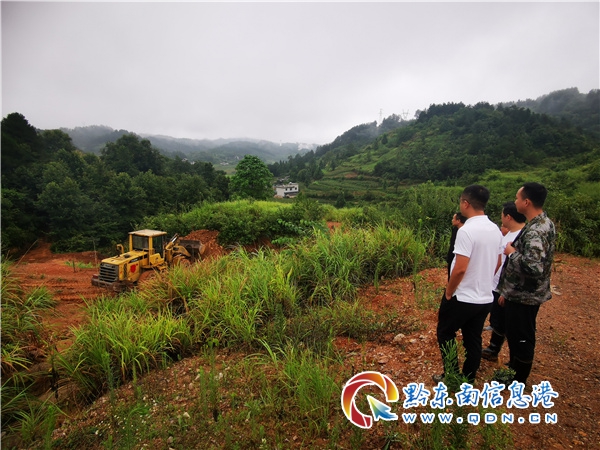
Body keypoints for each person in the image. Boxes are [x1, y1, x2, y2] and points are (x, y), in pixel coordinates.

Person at [435, 185, 502, 384]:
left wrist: (449, 292)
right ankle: (469, 377)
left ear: (466, 203)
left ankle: (452, 376)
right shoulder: (495, 229)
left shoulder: (466, 231)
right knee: (473, 337)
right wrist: (484, 280)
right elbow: (498, 262)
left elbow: (460, 269)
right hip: (485, 298)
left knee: (445, 333)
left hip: (463, 296)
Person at [497, 182, 556, 384]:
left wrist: (511, 253)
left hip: (525, 294)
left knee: (521, 336)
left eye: (517, 198)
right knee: (517, 333)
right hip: (524, 291)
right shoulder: (544, 222)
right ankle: (514, 368)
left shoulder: (535, 231)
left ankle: (518, 379)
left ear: (527, 202)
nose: (515, 201)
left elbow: (534, 266)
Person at [482, 202, 527, 361]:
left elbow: (519, 269)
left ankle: (515, 362)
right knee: (498, 319)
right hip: (497, 285)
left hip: (507, 289)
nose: (501, 217)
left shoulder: (521, 237)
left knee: (511, 325)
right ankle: (493, 349)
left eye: (502, 214)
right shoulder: (509, 234)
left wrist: (507, 291)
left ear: (508, 217)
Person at [446, 212, 467, 280]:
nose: (452, 220)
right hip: (452, 257)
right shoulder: (455, 229)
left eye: (453, 218)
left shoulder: (465, 232)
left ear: (458, 221)